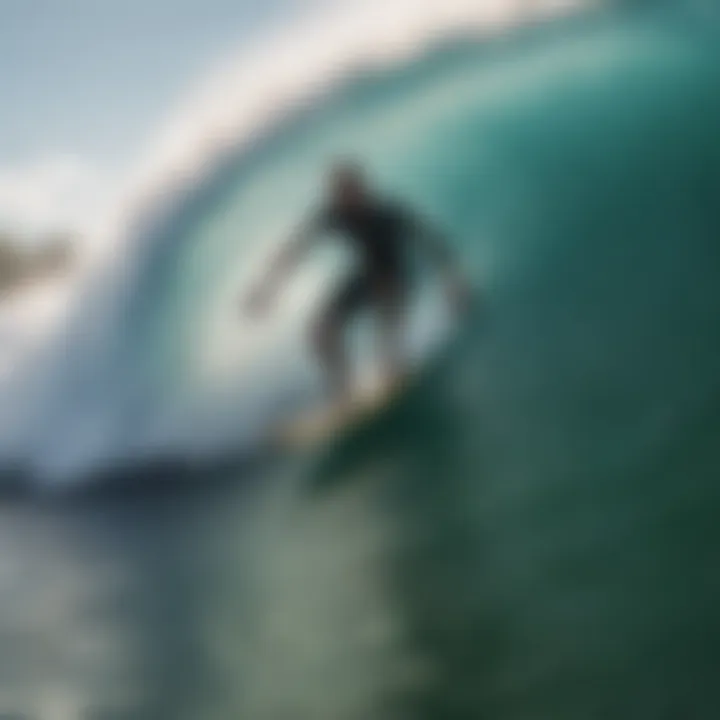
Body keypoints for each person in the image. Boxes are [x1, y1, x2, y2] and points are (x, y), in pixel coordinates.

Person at [246, 161, 471, 404]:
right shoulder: (332, 215)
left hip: (396, 278)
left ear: (362, 190)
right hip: (366, 276)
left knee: (387, 323)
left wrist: (453, 281)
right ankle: (344, 388)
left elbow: (430, 239)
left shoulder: (387, 213)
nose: (346, 200)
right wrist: (266, 288)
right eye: (340, 194)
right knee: (320, 333)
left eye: (351, 192)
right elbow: (296, 249)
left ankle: (393, 366)